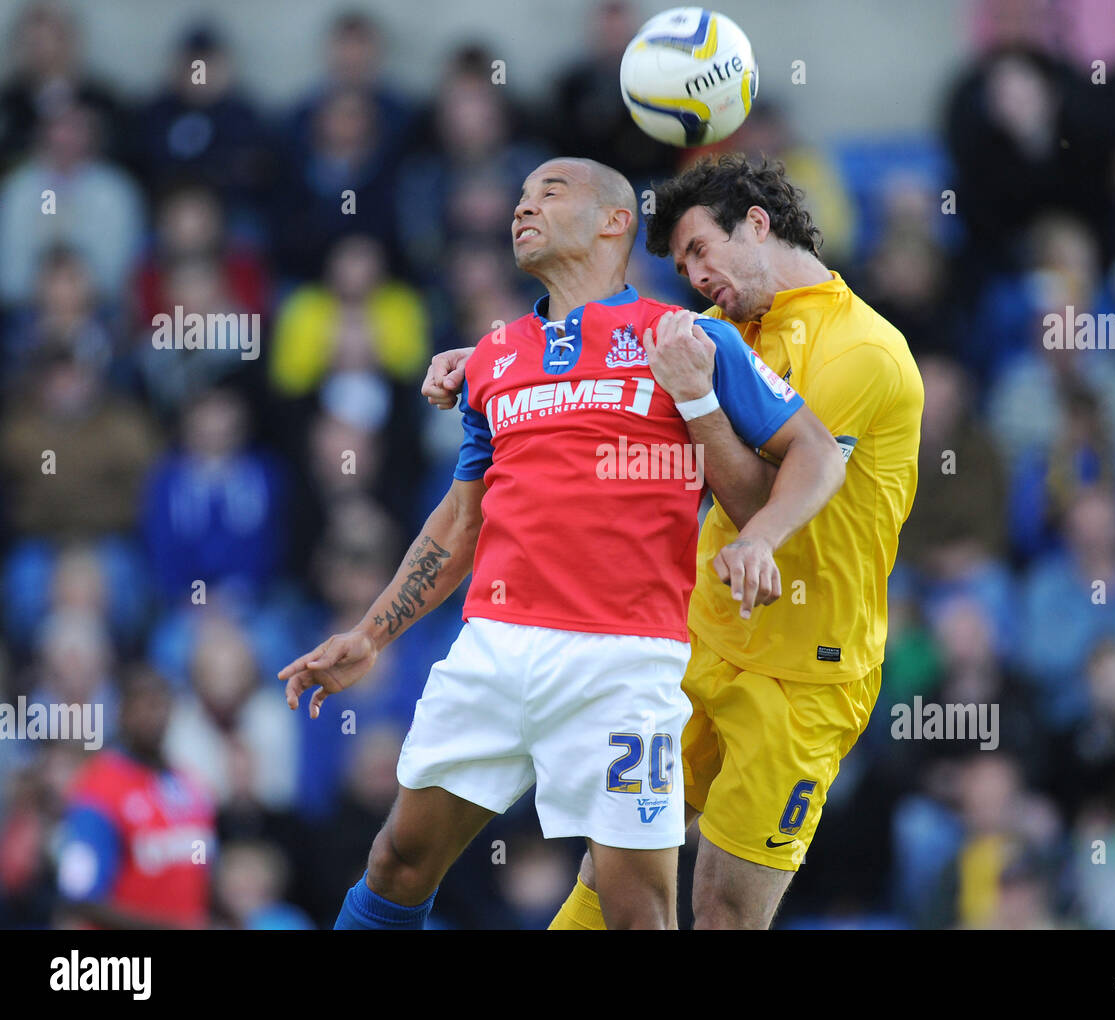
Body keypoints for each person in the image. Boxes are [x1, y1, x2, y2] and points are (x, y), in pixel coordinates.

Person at [280, 157, 846, 930]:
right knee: (397, 863)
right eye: (517, 196)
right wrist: (370, 633)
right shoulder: (491, 358)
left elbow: (818, 452)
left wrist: (763, 538)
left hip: (622, 665)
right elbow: (460, 520)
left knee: (636, 911)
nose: (522, 208)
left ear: (614, 221)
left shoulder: (683, 340)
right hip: (494, 648)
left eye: (548, 192)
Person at [427, 154, 924, 928]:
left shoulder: (859, 351)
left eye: (700, 251)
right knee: (612, 877)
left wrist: (697, 403)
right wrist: (495, 363)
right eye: (682, 261)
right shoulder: (728, 328)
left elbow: (767, 484)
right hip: (697, 642)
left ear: (757, 224)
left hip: (804, 671)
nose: (692, 275)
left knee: (722, 909)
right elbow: (616, 351)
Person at [55, 667, 216, 929]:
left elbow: (199, 864)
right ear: (122, 713)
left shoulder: (192, 788)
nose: (153, 715)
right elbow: (79, 898)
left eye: (160, 704)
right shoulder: (98, 791)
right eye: (142, 705)